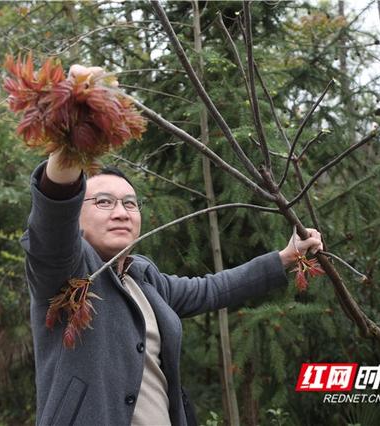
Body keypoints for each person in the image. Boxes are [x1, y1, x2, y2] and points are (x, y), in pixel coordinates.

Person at [20, 66, 323, 426]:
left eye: (130, 204)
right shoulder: (64, 271)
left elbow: (213, 289)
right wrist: (73, 133)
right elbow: (52, 220)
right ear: (78, 216)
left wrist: (286, 257)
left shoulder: (144, 279)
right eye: (103, 202)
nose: (121, 213)